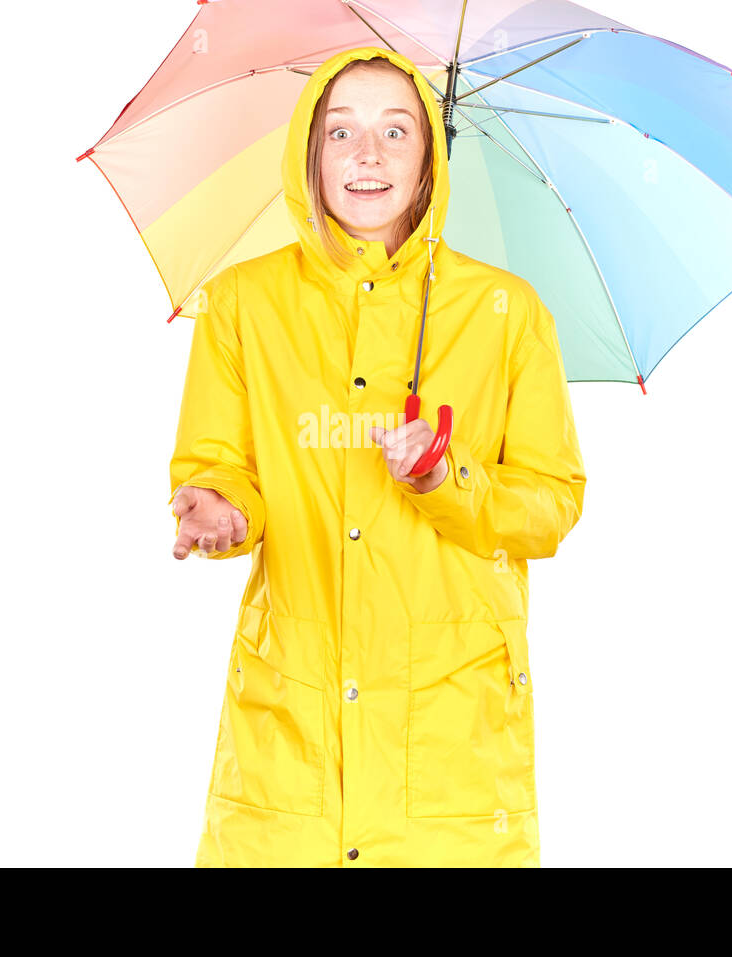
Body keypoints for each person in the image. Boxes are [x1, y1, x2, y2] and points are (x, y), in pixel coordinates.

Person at [167, 45, 587, 867]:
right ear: (307, 154)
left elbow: (550, 506)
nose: (368, 155)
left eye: (396, 131)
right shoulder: (244, 305)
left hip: (449, 740)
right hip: (293, 732)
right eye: (341, 132)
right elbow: (215, 463)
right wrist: (221, 507)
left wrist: (444, 476)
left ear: (430, 154)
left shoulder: (505, 313)